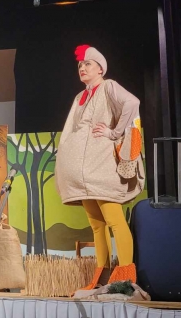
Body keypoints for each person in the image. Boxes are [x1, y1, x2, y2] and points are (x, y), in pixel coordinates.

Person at [55, 45, 145, 288]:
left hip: (102, 167)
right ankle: (101, 276)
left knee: (114, 220)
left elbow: (132, 102)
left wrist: (114, 132)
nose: (82, 68)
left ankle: (125, 277)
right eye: (80, 65)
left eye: (88, 64)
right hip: (84, 174)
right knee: (97, 225)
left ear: (100, 69)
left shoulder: (108, 86)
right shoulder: (80, 97)